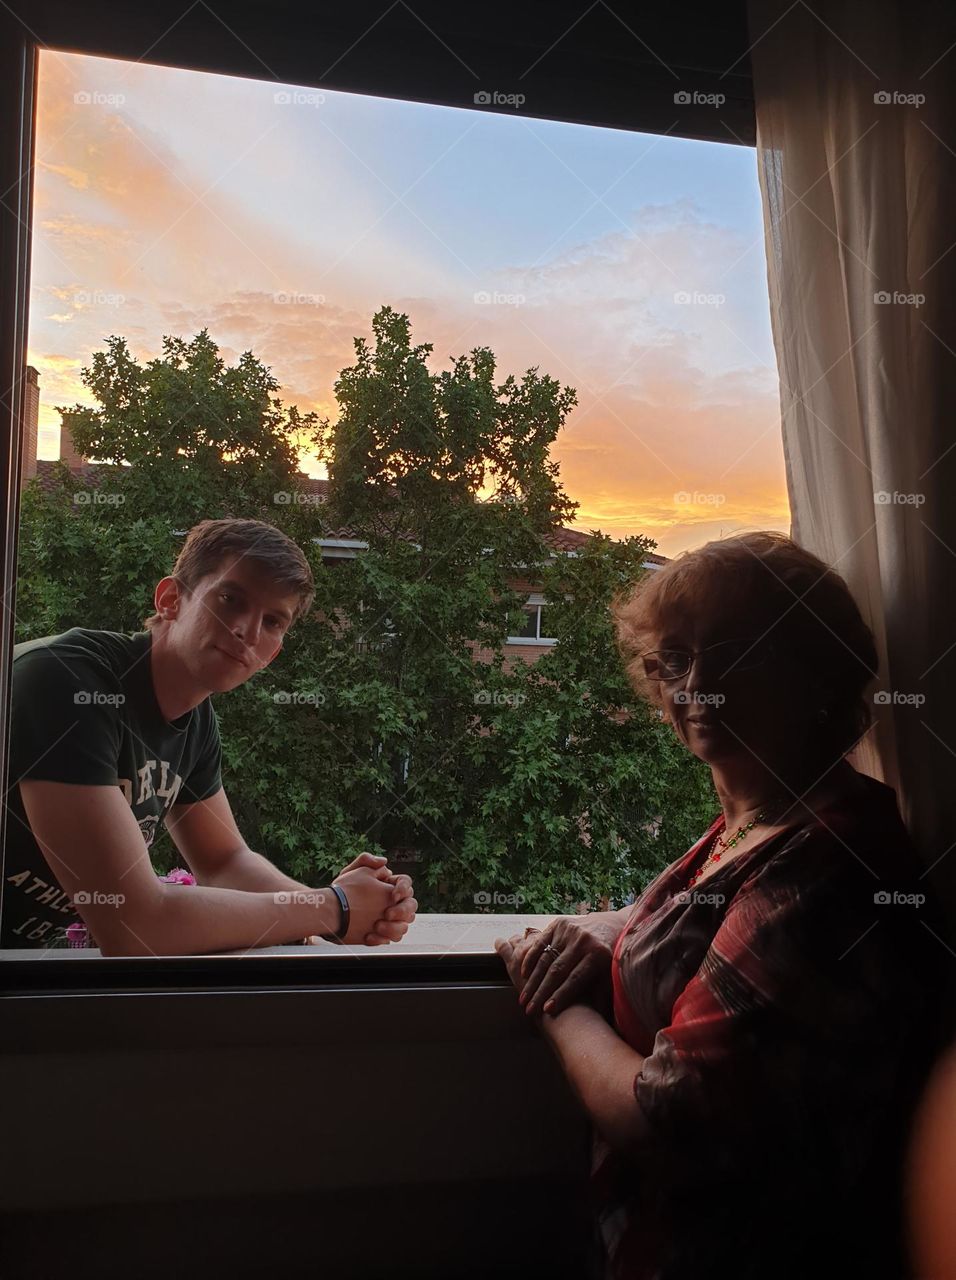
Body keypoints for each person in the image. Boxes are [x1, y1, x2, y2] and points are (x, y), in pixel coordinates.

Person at [495, 530, 953, 1280]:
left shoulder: (824, 869)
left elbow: (660, 1120)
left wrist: (552, 1001)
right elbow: (703, 929)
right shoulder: (757, 821)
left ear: (815, 676)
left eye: (741, 652)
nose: (699, 684)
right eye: (675, 659)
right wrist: (607, 932)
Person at [2, 517, 417, 955]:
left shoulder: (197, 722)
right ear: (170, 599)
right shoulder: (65, 682)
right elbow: (135, 923)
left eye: (273, 621)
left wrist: (339, 909)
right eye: (230, 598)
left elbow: (224, 863)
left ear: (272, 654)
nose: (248, 631)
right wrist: (332, 908)